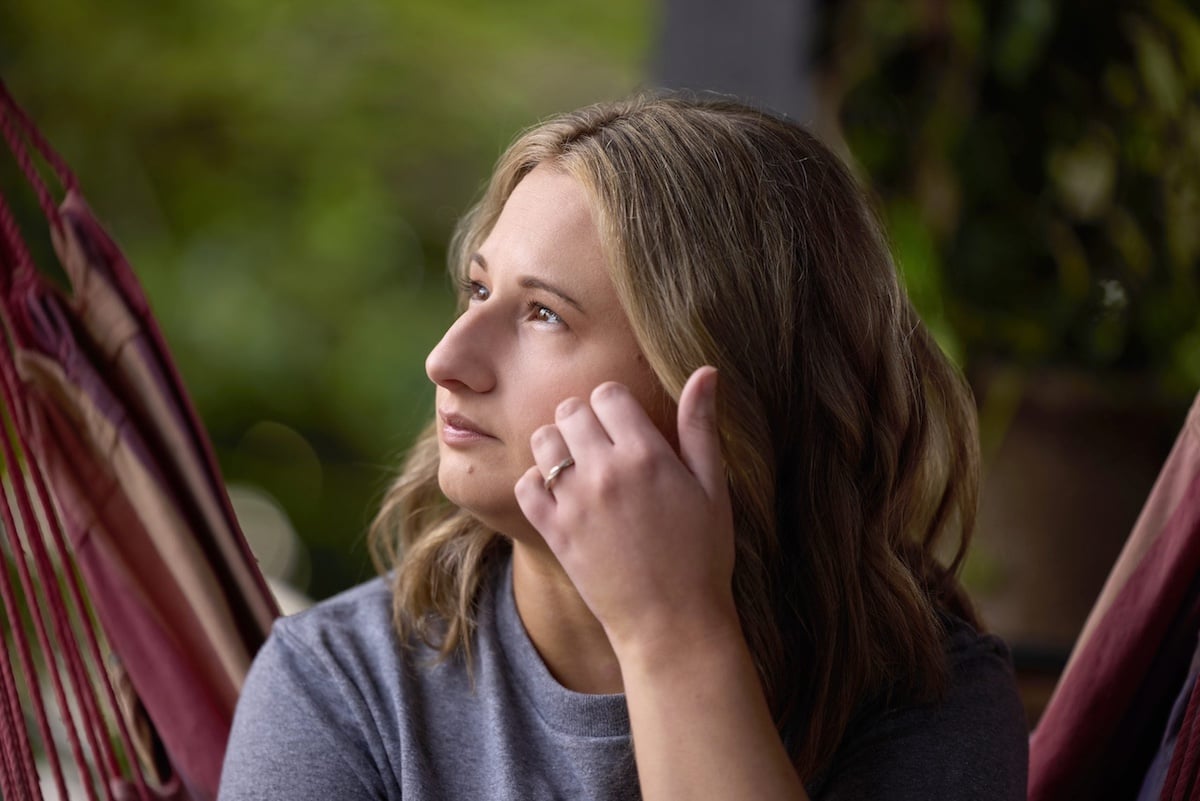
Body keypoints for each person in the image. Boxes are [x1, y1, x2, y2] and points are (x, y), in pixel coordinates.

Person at [218, 93, 1028, 800]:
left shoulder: (925, 695)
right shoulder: (340, 686)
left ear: (718, 385)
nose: (447, 359)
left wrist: (674, 633)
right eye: (478, 287)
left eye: (543, 313)